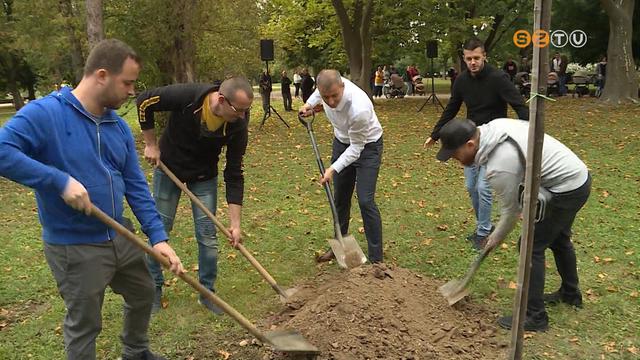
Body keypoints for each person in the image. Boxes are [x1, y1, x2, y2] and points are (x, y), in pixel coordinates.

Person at [0, 38, 184, 360]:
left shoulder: (118, 127)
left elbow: (135, 185)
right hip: (75, 246)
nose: (131, 91)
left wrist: (158, 237)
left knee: (142, 293)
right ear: (101, 75)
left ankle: (136, 351)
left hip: (120, 235)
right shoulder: (46, 114)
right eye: (127, 82)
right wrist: (58, 180)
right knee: (85, 324)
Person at [435, 118, 591, 332]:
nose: (456, 160)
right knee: (559, 240)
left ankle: (535, 316)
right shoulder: (493, 129)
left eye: (455, 154)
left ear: (470, 144)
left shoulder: (500, 166)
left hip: (567, 187)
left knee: (530, 247)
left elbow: (511, 211)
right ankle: (570, 294)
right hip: (577, 176)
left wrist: (495, 237)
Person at [136, 76, 253, 314]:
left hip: (204, 176)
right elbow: (144, 101)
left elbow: (234, 172)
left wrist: (235, 223)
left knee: (208, 236)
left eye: (246, 111)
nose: (242, 116)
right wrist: (150, 143)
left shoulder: (238, 124)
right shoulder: (189, 97)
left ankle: (207, 293)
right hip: (169, 168)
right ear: (221, 99)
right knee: (159, 231)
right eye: (239, 110)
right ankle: (153, 289)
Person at [424, 38, 529, 250]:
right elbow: (451, 108)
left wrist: (527, 131)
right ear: (464, 58)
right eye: (469, 59)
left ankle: (483, 233)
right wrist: (435, 135)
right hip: (470, 141)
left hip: (495, 140)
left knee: (483, 187)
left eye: (477, 58)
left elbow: (519, 105)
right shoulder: (462, 81)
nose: (473, 62)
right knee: (471, 187)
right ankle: (485, 225)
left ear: (484, 57)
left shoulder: (499, 78)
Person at [299, 70, 384, 264]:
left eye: (334, 96)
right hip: (341, 142)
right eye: (325, 97)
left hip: (367, 146)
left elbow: (356, 149)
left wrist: (332, 169)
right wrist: (309, 104)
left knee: (365, 200)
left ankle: (376, 260)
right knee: (340, 198)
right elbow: (317, 95)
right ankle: (340, 243)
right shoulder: (326, 89)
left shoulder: (359, 108)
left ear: (342, 87)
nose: (330, 101)